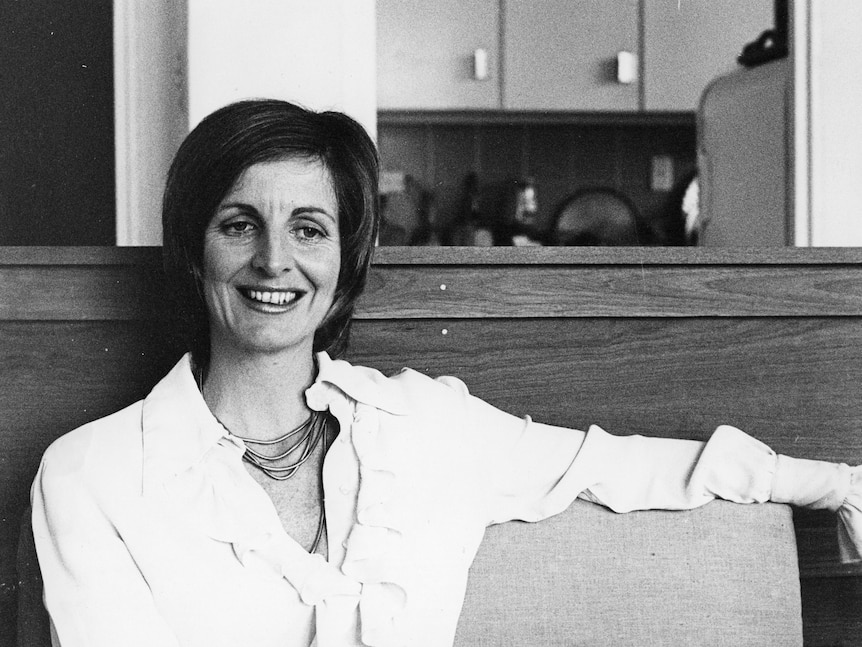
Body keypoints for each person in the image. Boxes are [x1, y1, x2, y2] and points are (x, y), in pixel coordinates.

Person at [31, 99, 861, 647]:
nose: (274, 259)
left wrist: (838, 485)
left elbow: (625, 464)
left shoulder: (425, 427)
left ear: (345, 260)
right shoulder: (92, 474)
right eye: (239, 223)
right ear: (194, 247)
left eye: (310, 228)